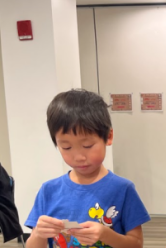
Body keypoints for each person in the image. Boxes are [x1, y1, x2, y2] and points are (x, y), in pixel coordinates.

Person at [24, 89, 151, 248]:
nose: (79, 157)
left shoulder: (123, 190)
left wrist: (105, 234)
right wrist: (38, 234)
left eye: (87, 145)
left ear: (108, 136)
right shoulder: (49, 191)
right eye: (67, 147)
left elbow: (136, 244)